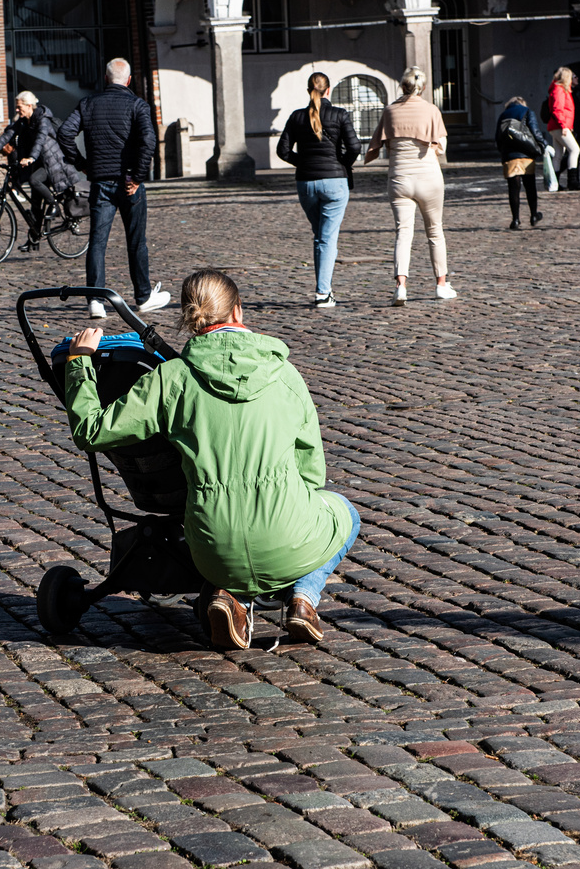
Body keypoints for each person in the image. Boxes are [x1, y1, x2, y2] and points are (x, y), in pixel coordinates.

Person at [63, 270, 360, 649]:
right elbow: (312, 471)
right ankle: (303, 596)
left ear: (190, 318)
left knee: (229, 543)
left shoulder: (172, 378)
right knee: (347, 513)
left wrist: (80, 362)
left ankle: (231, 595)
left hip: (209, 550)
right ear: (238, 311)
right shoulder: (284, 373)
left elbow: (91, 431)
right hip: (287, 538)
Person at [59, 60, 171, 318]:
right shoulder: (137, 105)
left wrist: (82, 164)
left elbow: (65, 132)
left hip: (100, 183)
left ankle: (96, 301)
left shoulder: (88, 104)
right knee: (136, 242)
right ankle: (143, 297)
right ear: (129, 80)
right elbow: (149, 140)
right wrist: (137, 177)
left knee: (97, 242)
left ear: (106, 78)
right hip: (129, 184)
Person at [366, 68, 456, 306]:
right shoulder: (431, 110)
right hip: (429, 177)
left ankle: (400, 286)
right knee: (435, 232)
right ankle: (441, 285)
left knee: (403, 233)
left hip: (399, 178)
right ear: (423, 87)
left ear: (402, 86)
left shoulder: (390, 111)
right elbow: (442, 147)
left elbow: (380, 144)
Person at [276, 72, 360, 309]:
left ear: (308, 90)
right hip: (334, 181)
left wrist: (302, 162)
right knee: (326, 238)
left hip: (306, 182)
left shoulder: (296, 117)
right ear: (328, 90)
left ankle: (324, 289)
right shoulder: (339, 114)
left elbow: (282, 151)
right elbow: (355, 146)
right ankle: (323, 293)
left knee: (321, 237)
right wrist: (343, 162)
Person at [0, 90, 80, 249]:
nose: (17, 110)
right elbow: (7, 136)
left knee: (34, 180)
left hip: (53, 164)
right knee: (35, 206)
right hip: (38, 164)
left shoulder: (42, 120)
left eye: (19, 107)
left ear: (29, 106)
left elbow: (40, 140)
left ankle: (54, 205)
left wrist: (31, 158)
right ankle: (34, 240)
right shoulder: (24, 122)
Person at [495, 95, 548, 229]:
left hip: (510, 156)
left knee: (513, 188)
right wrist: (542, 145)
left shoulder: (503, 115)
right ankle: (533, 215)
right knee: (530, 187)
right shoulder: (527, 112)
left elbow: (498, 138)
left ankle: (515, 219)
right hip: (526, 154)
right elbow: (534, 130)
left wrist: (504, 152)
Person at [544, 68, 580, 191]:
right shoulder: (559, 90)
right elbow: (557, 109)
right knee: (575, 150)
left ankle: (554, 183)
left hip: (557, 126)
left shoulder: (559, 89)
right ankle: (573, 181)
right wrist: (563, 125)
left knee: (558, 154)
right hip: (560, 126)